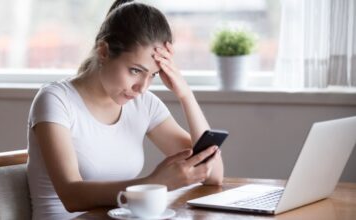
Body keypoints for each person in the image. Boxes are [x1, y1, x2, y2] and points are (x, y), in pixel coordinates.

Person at [27, 0, 224, 219]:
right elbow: (72, 196)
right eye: (135, 70)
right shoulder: (56, 100)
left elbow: (212, 175)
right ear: (103, 51)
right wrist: (154, 184)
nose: (141, 88)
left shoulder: (143, 104)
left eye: (153, 75)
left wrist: (185, 94)